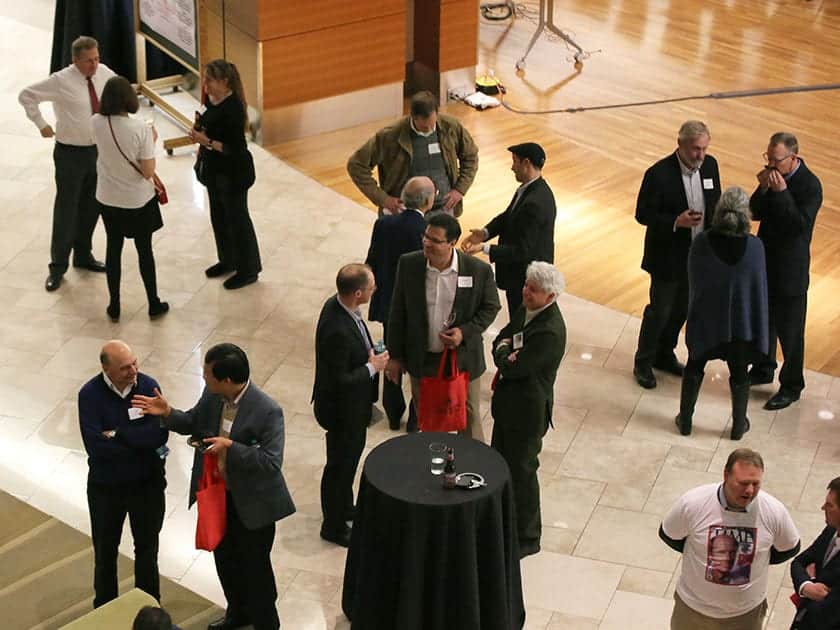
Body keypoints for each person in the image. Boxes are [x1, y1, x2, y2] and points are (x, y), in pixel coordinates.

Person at [132, 343, 295, 630]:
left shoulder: (268, 410)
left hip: (252, 506)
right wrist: (167, 412)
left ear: (228, 380)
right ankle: (237, 614)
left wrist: (230, 447)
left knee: (255, 570)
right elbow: (193, 422)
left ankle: (265, 623)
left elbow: (271, 462)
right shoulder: (213, 395)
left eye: (208, 374)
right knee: (225, 561)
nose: (203, 377)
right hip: (218, 497)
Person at [386, 213, 501, 442]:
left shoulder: (477, 271)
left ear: (452, 243)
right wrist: (395, 356)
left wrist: (464, 332)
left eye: (435, 240)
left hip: (463, 359)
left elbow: (491, 307)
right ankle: (433, 468)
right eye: (425, 237)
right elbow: (397, 312)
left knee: (468, 418)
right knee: (428, 420)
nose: (427, 243)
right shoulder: (409, 264)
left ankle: (474, 469)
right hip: (423, 357)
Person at [659, 448, 800, 629]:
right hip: (693, 609)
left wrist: (756, 558)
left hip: (745, 614)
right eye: (743, 483)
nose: (749, 491)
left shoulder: (774, 511)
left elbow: (789, 548)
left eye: (756, 484)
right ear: (726, 475)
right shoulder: (693, 503)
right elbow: (670, 535)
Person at [77, 340, 168, 608]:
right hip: (107, 490)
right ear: (106, 368)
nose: (133, 371)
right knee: (105, 554)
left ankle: (150, 611)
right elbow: (96, 447)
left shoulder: (148, 386)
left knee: (147, 552)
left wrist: (118, 434)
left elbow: (159, 434)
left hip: (147, 487)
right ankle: (105, 609)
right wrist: (138, 442)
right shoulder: (89, 395)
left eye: (134, 363)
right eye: (125, 367)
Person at [19, 35, 113, 292]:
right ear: (75, 60)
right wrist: (41, 124)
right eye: (89, 61)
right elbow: (26, 95)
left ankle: (83, 255)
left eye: (96, 58)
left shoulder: (104, 73)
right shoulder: (60, 81)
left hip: (97, 151)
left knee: (92, 205)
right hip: (70, 153)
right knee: (66, 210)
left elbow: (119, 92)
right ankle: (57, 266)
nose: (95, 65)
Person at [633, 121, 721, 390]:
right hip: (667, 259)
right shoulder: (658, 174)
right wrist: (675, 221)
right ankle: (643, 362)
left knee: (682, 310)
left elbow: (714, 200)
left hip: (698, 258)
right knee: (659, 312)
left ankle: (664, 354)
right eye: (696, 149)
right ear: (680, 144)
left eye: (704, 149)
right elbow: (642, 214)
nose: (701, 155)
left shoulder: (710, 166)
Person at [676, 187, 768, 440]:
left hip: (706, 324)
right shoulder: (755, 247)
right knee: (739, 374)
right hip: (741, 328)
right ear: (745, 215)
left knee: (694, 367)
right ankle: (739, 425)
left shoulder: (702, 242)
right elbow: (757, 293)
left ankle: (685, 420)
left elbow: (693, 283)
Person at [490, 261, 566, 558]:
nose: (526, 292)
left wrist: (506, 353)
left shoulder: (549, 331)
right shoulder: (527, 310)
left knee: (522, 472)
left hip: (527, 412)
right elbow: (501, 340)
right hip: (508, 406)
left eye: (533, 290)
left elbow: (517, 366)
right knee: (501, 464)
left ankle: (527, 536)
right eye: (526, 285)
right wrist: (504, 351)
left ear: (550, 297)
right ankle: (504, 519)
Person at [312, 264, 389, 546]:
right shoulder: (337, 330)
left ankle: (345, 508)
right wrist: (372, 367)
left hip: (352, 407)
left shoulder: (339, 306)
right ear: (358, 293)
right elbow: (340, 379)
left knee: (346, 465)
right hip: (343, 411)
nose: (375, 289)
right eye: (371, 287)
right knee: (340, 468)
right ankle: (332, 526)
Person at [748, 132, 823, 411]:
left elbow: (798, 226)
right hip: (765, 262)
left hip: (790, 270)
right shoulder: (772, 176)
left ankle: (791, 385)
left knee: (791, 333)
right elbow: (753, 212)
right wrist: (765, 189)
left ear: (793, 158)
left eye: (775, 160)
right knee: (764, 322)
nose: (770, 164)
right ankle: (763, 367)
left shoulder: (810, 185)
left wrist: (780, 193)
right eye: (768, 158)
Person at [91, 76, 168, 322]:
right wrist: (151, 141)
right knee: (144, 251)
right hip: (137, 200)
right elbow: (147, 171)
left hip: (107, 197)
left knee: (113, 249)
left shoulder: (95, 122)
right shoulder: (140, 129)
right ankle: (153, 303)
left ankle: (114, 305)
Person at [365, 176, 433, 430]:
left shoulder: (383, 224)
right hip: (417, 309)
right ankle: (415, 419)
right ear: (428, 200)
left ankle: (393, 413)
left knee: (389, 355)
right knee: (418, 361)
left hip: (389, 304)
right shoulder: (426, 232)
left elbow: (371, 260)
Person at [347, 90, 478, 216]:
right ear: (413, 117)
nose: (429, 130)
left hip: (444, 207)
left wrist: (460, 189)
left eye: (432, 125)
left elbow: (470, 156)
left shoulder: (451, 127)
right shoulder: (389, 136)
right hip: (405, 212)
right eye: (424, 127)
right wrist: (384, 199)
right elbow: (356, 165)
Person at [461, 143, 557, 315]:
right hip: (521, 274)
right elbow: (509, 216)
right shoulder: (530, 190)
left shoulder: (535, 202)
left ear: (526, 163)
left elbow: (522, 251)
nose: (512, 167)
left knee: (520, 321)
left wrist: (484, 248)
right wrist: (485, 233)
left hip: (525, 277)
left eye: (515, 162)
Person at [191, 59, 260, 290]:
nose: (205, 84)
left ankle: (248, 269)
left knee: (237, 219)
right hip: (214, 171)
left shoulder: (233, 109)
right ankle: (227, 259)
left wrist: (207, 141)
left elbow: (235, 148)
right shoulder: (210, 101)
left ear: (225, 82)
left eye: (209, 80)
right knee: (219, 217)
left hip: (233, 173)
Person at [790, 477, 840, 630]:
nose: (822, 507)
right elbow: (799, 562)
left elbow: (824, 614)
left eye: (830, 505)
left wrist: (810, 576)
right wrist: (807, 586)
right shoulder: (831, 530)